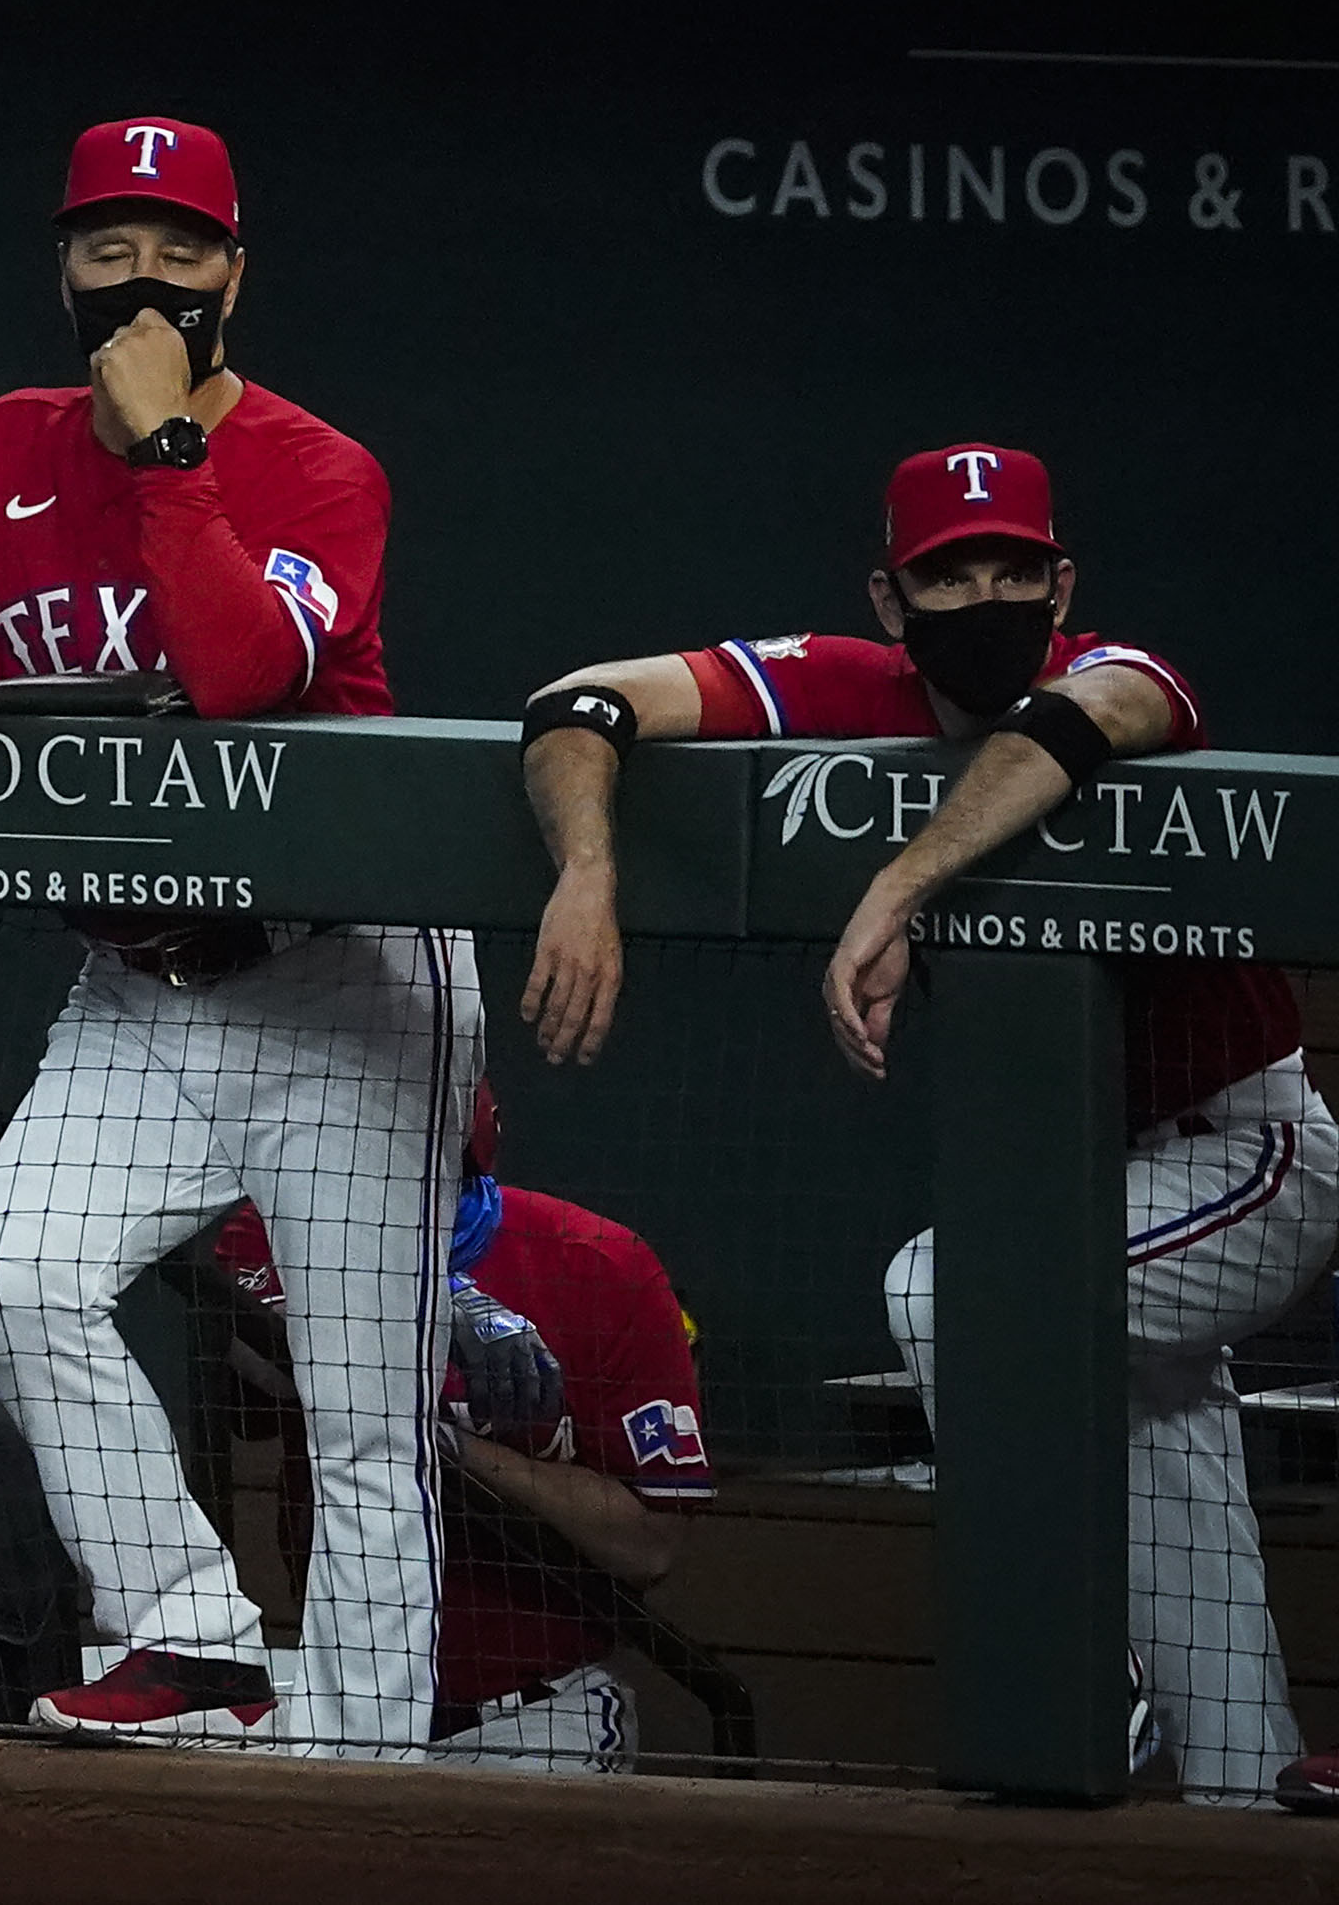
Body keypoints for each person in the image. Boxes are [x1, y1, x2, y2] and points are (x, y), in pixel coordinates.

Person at [0, 116, 502, 1756]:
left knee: (361, 1419)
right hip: (141, 984)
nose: (145, 276)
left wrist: (171, 456)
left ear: (235, 272)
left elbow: (250, 675)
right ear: (64, 269)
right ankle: (189, 1629)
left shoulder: (321, 468)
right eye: (110, 245)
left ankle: (371, 1772)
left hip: (346, 980)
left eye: (181, 246)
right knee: (17, 1267)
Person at [516, 442, 1338, 1803]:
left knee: (955, 1289)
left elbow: (1083, 723)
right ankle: (1241, 1771)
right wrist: (589, 867)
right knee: (1159, 1453)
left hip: (1254, 1149)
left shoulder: (1121, 666)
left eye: (1019, 566)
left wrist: (899, 884)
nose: (991, 592)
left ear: (1061, 578)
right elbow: (580, 702)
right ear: (895, 599)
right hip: (1118, 1176)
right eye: (953, 572)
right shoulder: (858, 683)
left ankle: (1076, 1647)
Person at [214, 1094, 705, 1776]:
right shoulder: (269, 1233)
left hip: (535, 1716)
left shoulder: (602, 1264)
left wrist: (454, 1449)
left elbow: (650, 1542)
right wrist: (418, 1308)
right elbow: (254, 1376)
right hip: (342, 1700)